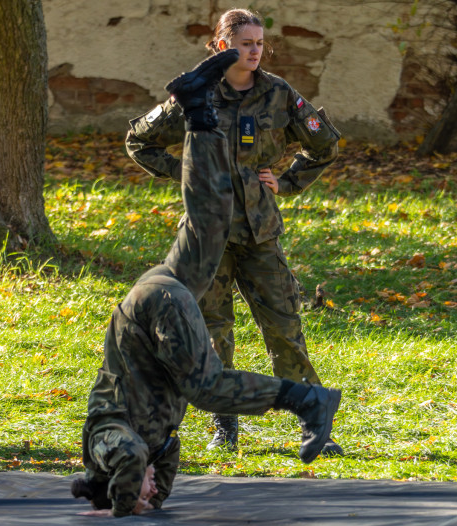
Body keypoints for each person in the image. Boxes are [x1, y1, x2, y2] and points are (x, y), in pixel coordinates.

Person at [73, 50, 342, 517]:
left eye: (144, 488)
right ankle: (198, 110)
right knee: (209, 222)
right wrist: (152, 498)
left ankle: (307, 400)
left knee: (207, 384)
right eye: (152, 489)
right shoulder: (159, 448)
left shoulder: (106, 441)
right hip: (163, 291)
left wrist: (122, 506)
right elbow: (160, 463)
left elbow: (129, 461)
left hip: (159, 303)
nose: (153, 487)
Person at [126, 9, 344, 456]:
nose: (255, 51)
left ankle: (314, 420)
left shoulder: (278, 93)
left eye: (260, 43)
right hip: (208, 237)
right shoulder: (196, 93)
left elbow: (324, 145)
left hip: (260, 232)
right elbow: (140, 141)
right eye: (246, 43)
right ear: (222, 46)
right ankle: (224, 424)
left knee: (284, 327)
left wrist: (286, 182)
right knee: (213, 332)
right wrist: (186, 171)